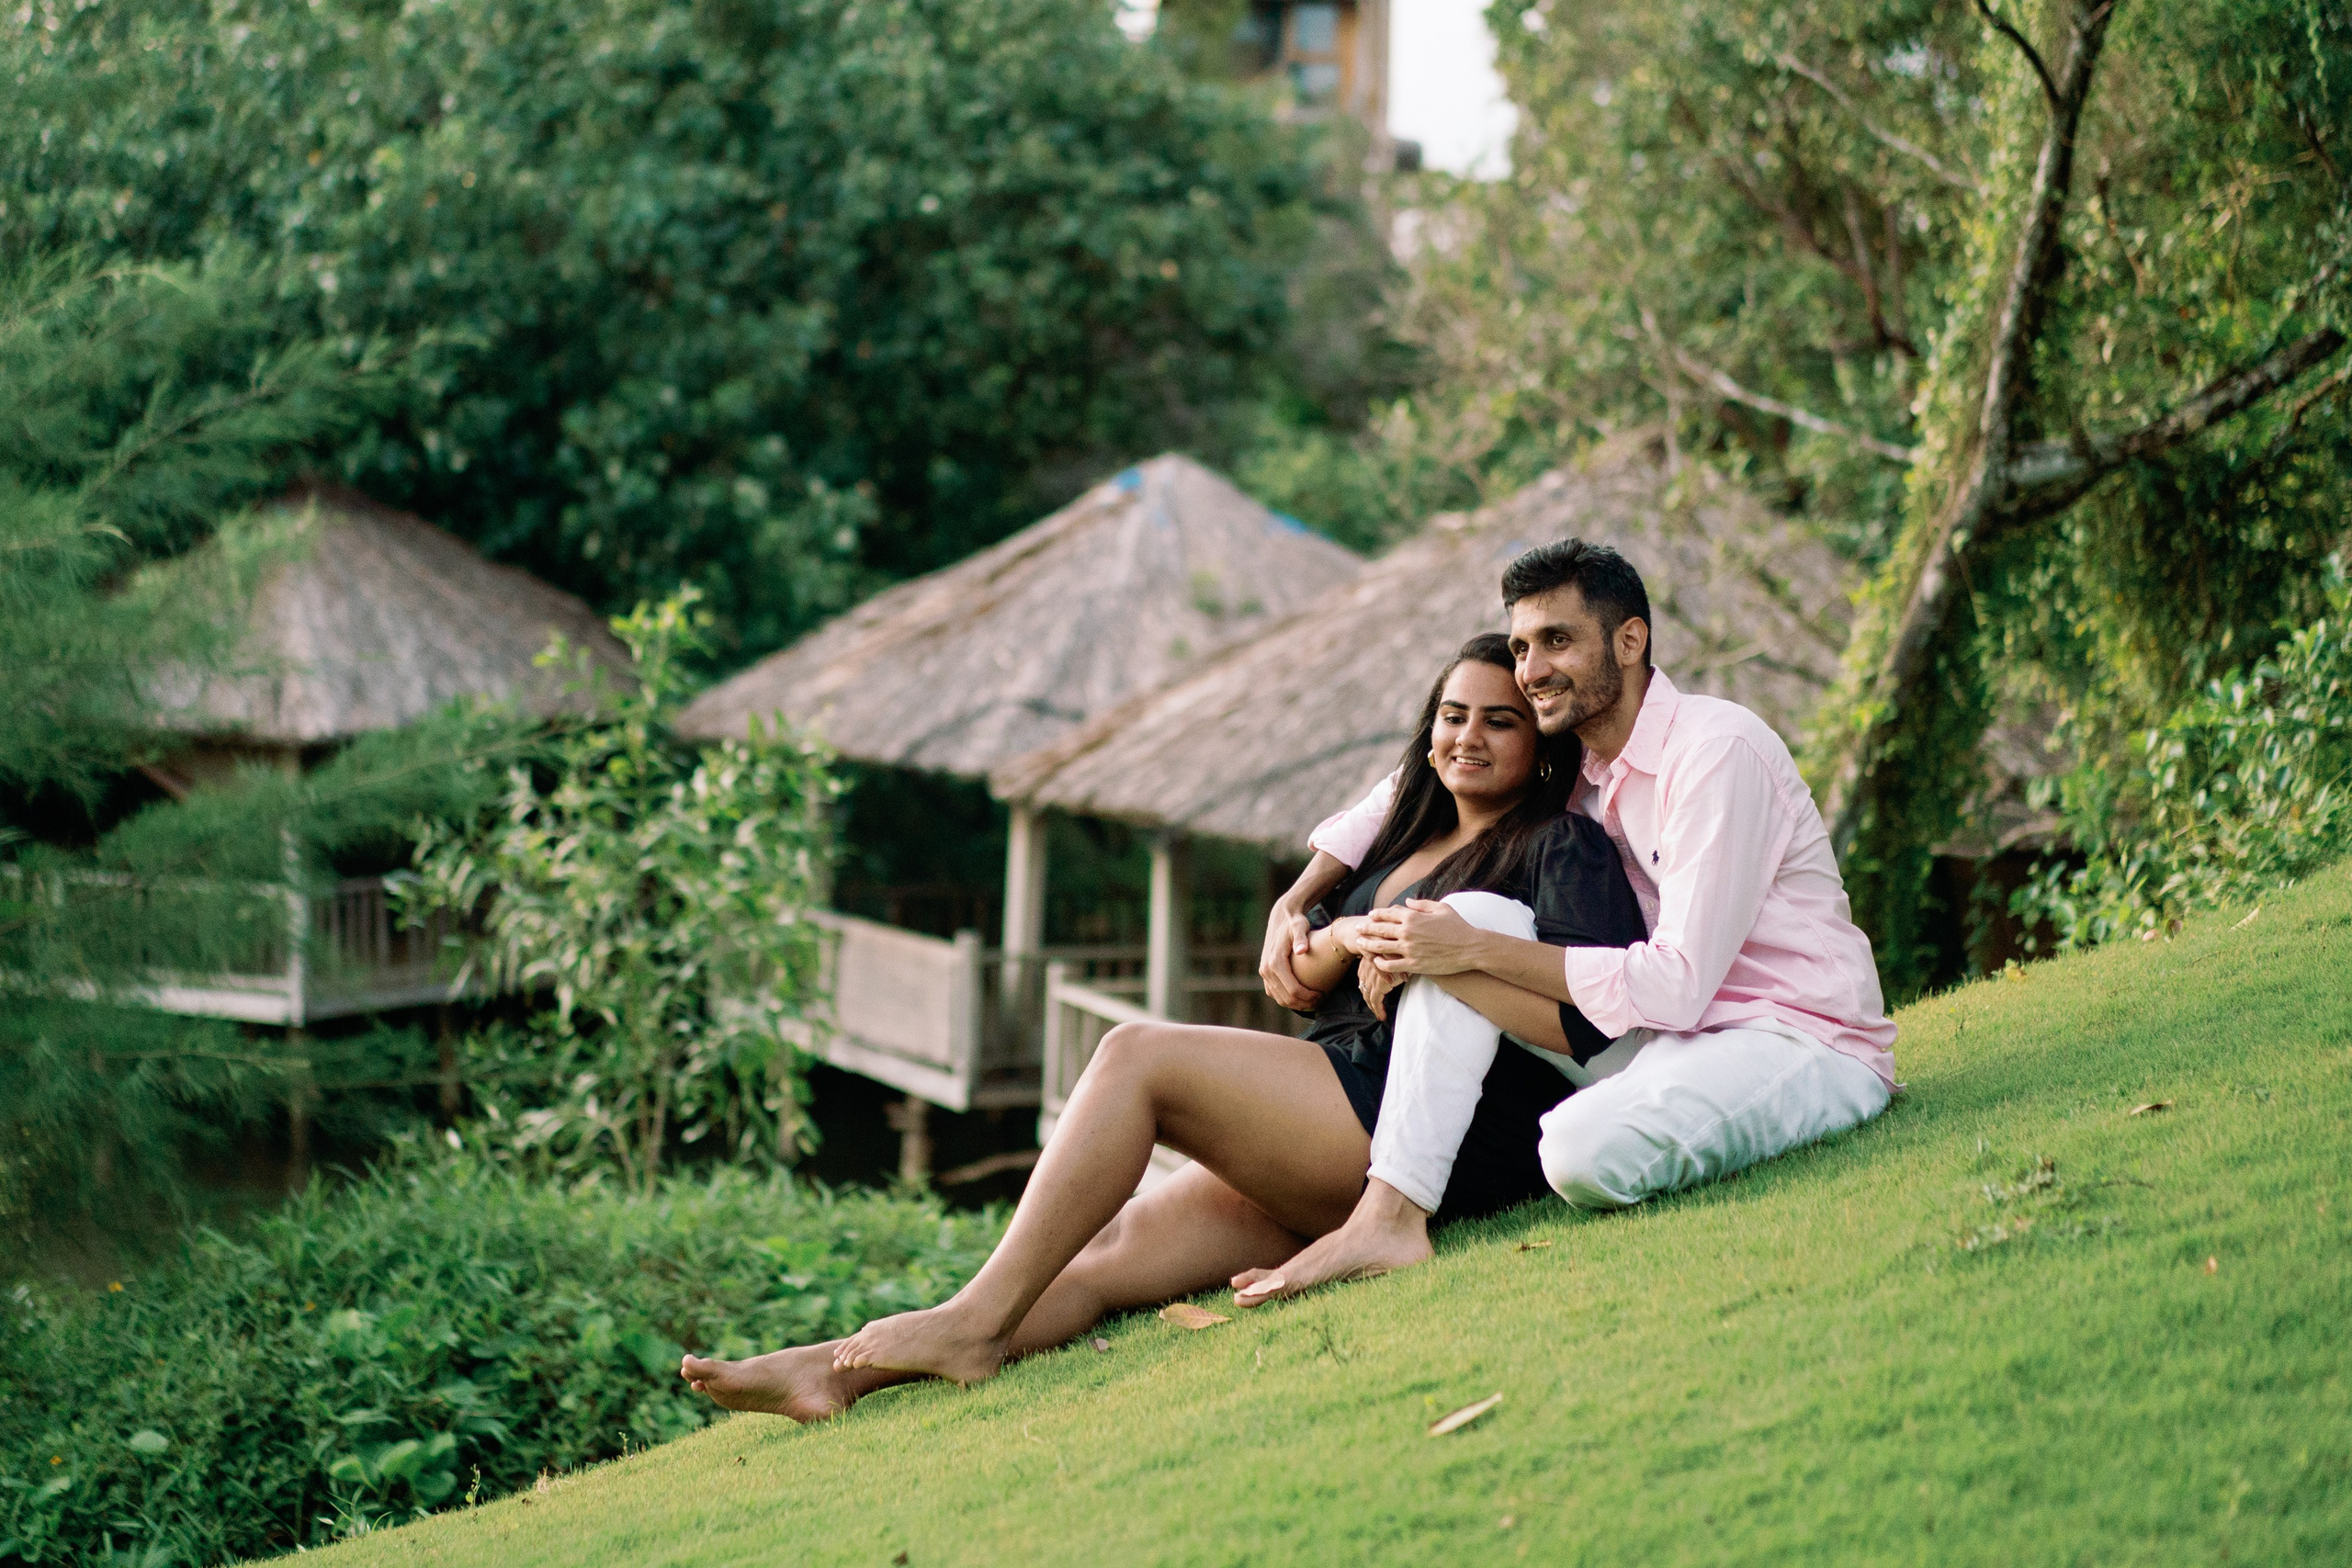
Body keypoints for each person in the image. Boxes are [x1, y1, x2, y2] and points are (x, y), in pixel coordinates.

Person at [680, 635, 1645, 1417]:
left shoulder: (1557, 844)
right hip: (1335, 1105)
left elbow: (1585, 1014)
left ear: (1542, 744)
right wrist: (1341, 928)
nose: (1468, 736)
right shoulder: (1403, 836)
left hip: (1443, 1126)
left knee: (1135, 1055)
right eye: (1451, 715)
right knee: (1096, 1259)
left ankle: (964, 1323)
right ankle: (835, 1372)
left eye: (1499, 721)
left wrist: (1455, 955)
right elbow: (1302, 987)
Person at [1240, 539, 1898, 1303]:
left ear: (1629, 640)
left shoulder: (1716, 751)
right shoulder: (1583, 764)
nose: (1532, 668)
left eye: (1557, 640)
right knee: (1461, 911)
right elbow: (1410, 779)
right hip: (1667, 1040)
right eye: (1522, 646)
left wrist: (1465, 949)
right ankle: (1388, 1216)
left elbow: (1678, 983)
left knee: (1578, 1150)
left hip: (1794, 1036)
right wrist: (1298, 898)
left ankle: (1828, 1107)